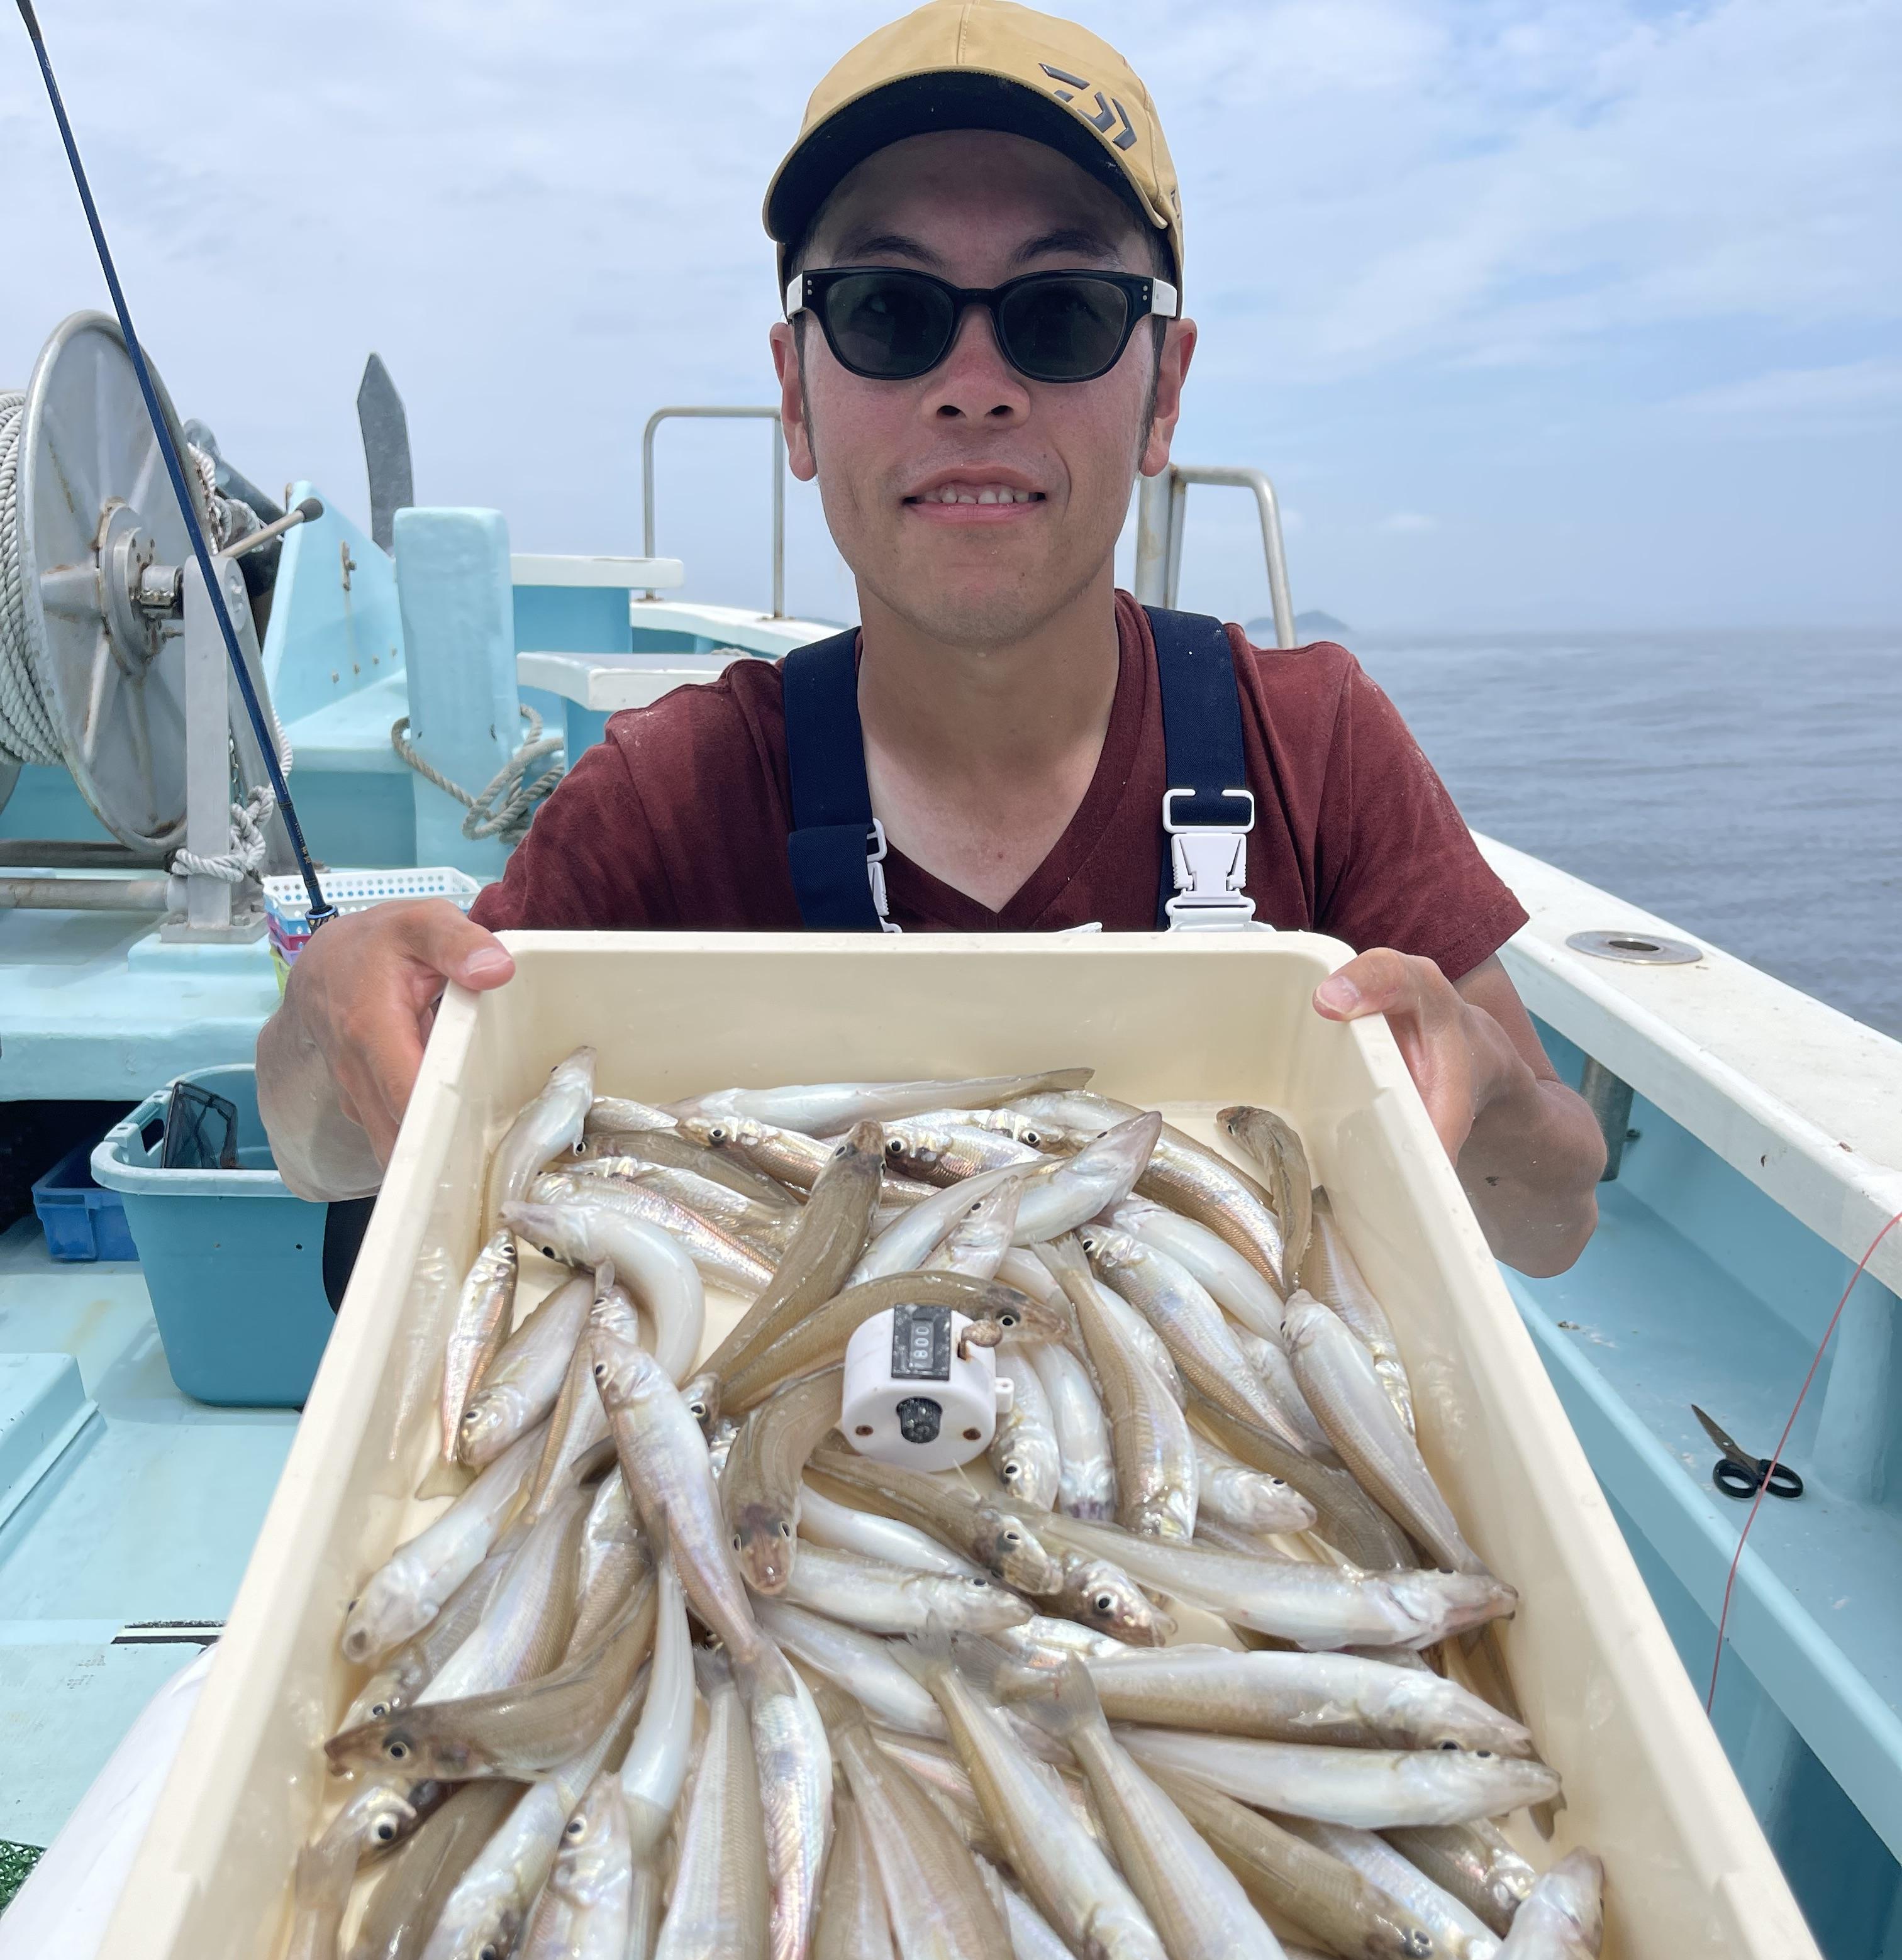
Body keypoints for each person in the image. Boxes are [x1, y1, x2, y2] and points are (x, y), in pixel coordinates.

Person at [259, 0, 1604, 1275]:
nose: (973, 390)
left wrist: (1491, 1110)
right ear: (796, 394)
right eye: (889, 312)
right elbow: (327, 1154)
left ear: (1163, 393)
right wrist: (325, 1030)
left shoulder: (1310, 743)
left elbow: (1553, 1220)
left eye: (1062, 313)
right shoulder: (667, 798)